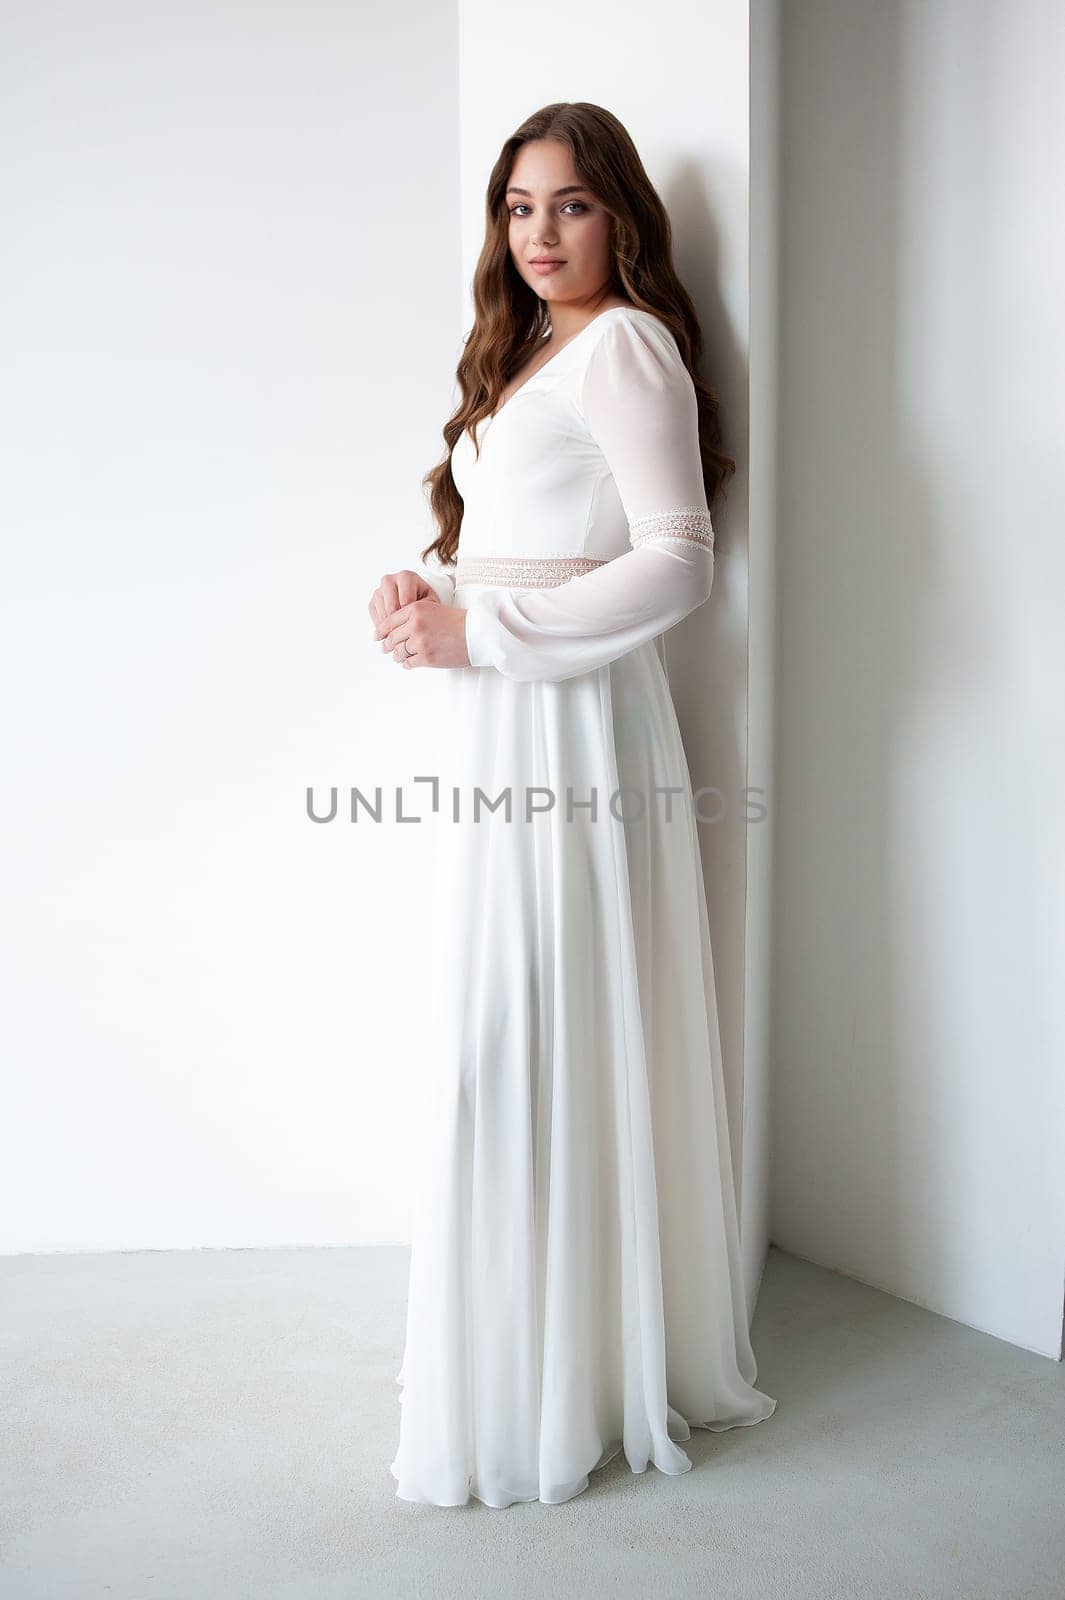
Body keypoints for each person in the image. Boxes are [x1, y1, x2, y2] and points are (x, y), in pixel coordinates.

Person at [368, 101, 776, 1509]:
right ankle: (518, 1358)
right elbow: (529, 543)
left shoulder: (628, 345)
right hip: (502, 733)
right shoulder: (523, 353)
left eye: (572, 206)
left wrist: (482, 634)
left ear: (622, 220)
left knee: (525, 1041)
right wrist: (435, 587)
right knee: (498, 1036)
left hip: (578, 736)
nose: (539, 234)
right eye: (520, 207)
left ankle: (563, 1380)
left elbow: (676, 562)